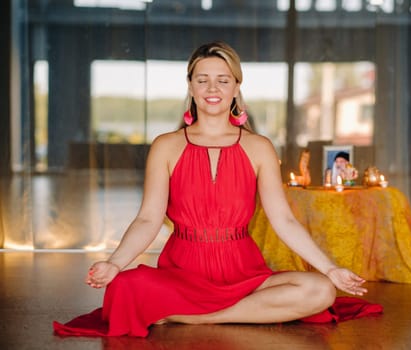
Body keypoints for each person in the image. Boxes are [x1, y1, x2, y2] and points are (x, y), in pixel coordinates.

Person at [53, 41, 381, 338]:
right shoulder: (166, 146)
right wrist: (115, 263)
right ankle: (222, 313)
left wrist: (330, 268)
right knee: (124, 287)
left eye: (223, 80)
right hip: (182, 273)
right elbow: (147, 219)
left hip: (243, 273)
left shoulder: (259, 147)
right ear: (191, 87)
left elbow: (284, 220)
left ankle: (192, 317)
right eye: (203, 79)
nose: (213, 88)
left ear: (236, 88)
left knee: (320, 290)